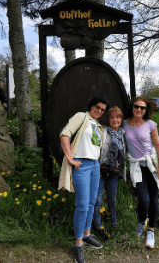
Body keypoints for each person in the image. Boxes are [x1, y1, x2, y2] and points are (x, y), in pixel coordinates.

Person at [59, 97, 109, 263]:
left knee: (91, 202)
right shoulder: (81, 117)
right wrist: (70, 158)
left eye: (103, 110)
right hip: (81, 164)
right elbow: (65, 134)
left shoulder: (96, 124)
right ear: (91, 106)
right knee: (81, 205)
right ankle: (78, 244)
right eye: (98, 107)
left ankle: (87, 235)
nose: (100, 111)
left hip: (94, 166)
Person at [123, 97, 159, 249]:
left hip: (152, 165)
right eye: (137, 107)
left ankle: (151, 231)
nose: (139, 110)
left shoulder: (150, 124)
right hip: (136, 166)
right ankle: (142, 221)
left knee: (154, 198)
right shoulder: (125, 124)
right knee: (143, 199)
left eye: (142, 108)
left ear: (146, 111)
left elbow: (158, 145)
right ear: (132, 107)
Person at [92, 106, 127, 240]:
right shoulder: (103, 131)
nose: (115, 120)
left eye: (118, 117)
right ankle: (98, 225)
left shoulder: (123, 134)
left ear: (121, 119)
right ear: (109, 119)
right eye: (112, 117)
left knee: (112, 199)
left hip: (114, 173)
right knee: (97, 200)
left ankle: (114, 223)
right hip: (100, 172)